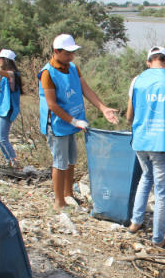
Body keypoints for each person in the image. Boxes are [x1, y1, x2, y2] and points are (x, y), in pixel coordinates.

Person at [38, 34, 119, 210]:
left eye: (72, 53)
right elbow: (52, 104)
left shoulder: (73, 68)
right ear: (56, 51)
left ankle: (69, 194)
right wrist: (74, 121)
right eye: (67, 53)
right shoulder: (47, 73)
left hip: (72, 122)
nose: (71, 57)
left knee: (71, 159)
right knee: (60, 162)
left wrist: (103, 108)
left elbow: (86, 90)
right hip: (58, 124)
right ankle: (59, 202)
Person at [126, 46, 165, 250]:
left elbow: (129, 116)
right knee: (163, 191)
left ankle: (135, 223)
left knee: (146, 178)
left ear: (148, 62)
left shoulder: (137, 80)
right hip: (164, 142)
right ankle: (158, 239)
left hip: (141, 141)